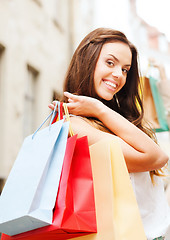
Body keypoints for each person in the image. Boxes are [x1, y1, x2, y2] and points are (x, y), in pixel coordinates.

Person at [49, 28, 170, 240]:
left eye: (125, 69)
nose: (118, 75)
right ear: (88, 60)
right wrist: (99, 109)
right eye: (110, 63)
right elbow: (156, 158)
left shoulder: (118, 120)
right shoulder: (76, 125)